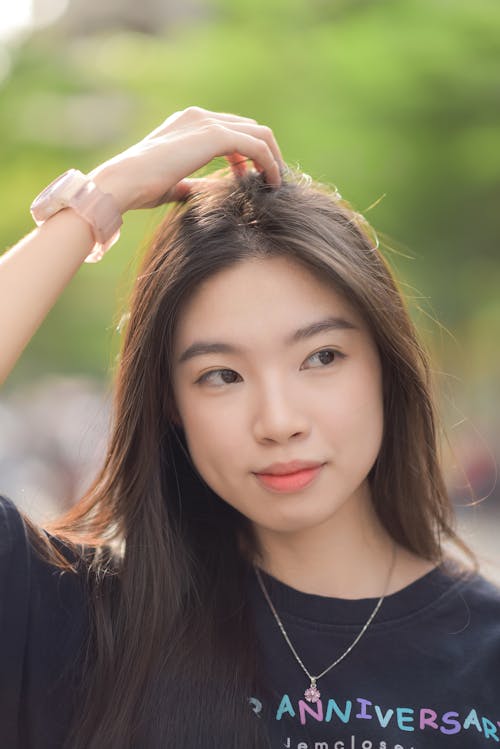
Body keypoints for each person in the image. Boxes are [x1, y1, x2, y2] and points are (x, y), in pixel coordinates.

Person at [0, 106, 498, 749]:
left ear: (385, 367)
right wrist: (100, 198)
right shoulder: (82, 625)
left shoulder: (485, 657)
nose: (279, 422)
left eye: (321, 358)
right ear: (171, 403)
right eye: (221, 375)